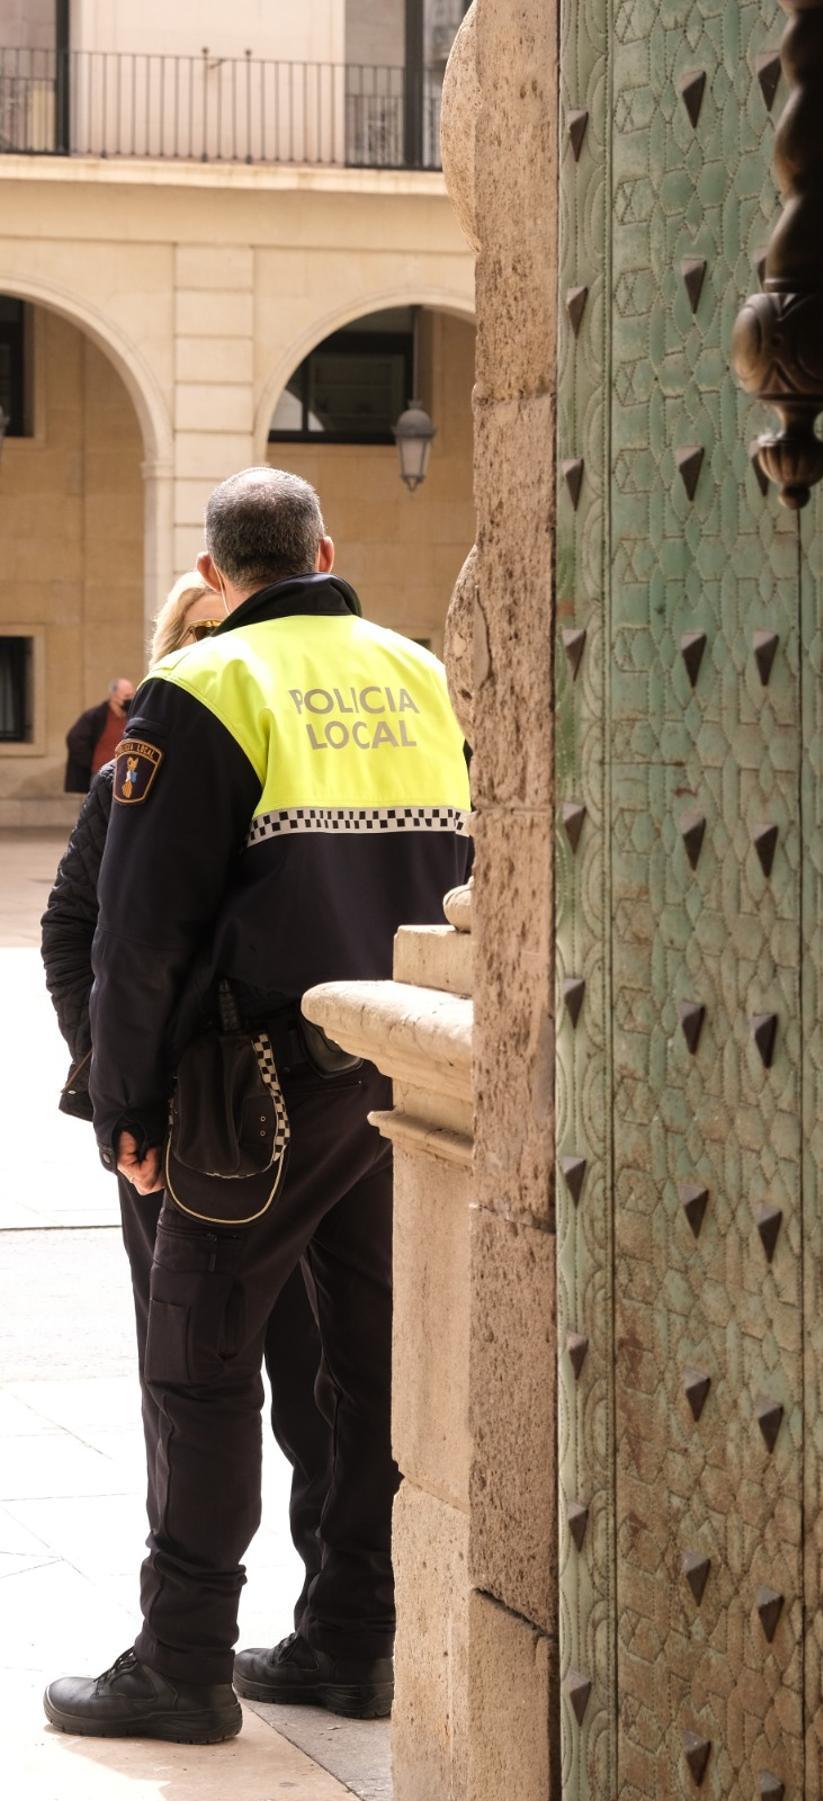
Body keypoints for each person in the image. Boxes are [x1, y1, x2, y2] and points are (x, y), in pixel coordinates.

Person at [44, 468, 471, 1745]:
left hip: (255, 1089)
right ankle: (353, 1638)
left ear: (218, 574)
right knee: (362, 1375)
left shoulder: (205, 686)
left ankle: (182, 1660)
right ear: (327, 548)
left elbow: (138, 933)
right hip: (396, 1071)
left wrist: (124, 1105)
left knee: (203, 1362)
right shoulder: (420, 672)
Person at [40, 573, 333, 1666]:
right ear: (175, 657)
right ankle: (191, 1631)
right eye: (202, 641)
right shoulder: (132, 772)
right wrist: (120, 1088)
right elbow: (77, 931)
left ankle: (327, 1623)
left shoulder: (298, 771)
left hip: (300, 1111)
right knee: (194, 1374)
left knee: (316, 1384)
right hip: (179, 1126)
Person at [64, 677, 135, 793]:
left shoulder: (133, 716)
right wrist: (91, 762)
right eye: (126, 696)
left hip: (127, 775)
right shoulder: (96, 716)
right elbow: (74, 739)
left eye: (132, 695)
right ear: (113, 696)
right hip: (101, 775)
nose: (130, 699)